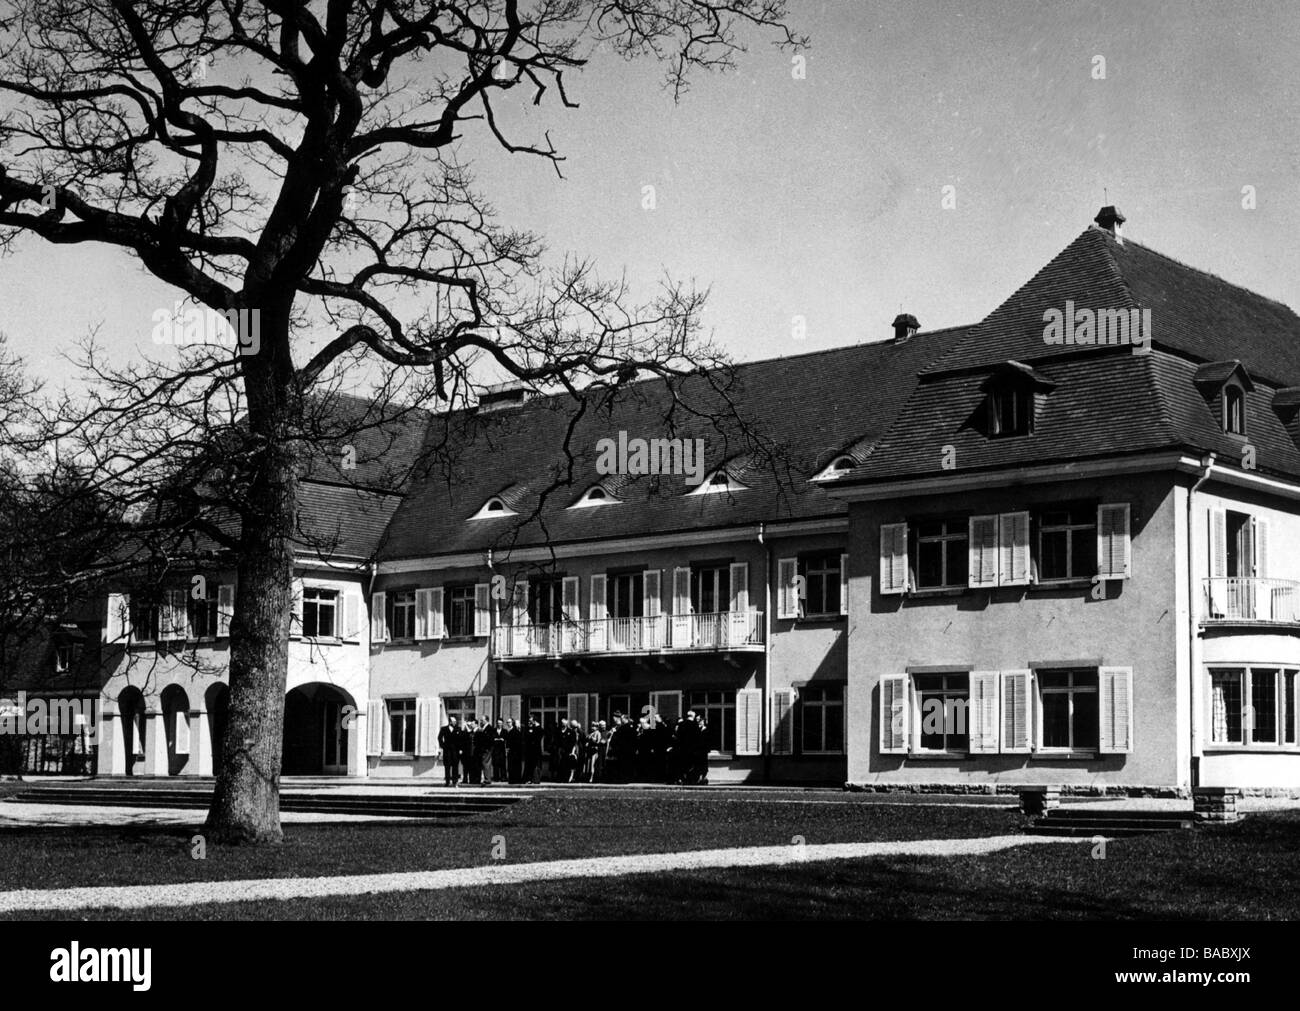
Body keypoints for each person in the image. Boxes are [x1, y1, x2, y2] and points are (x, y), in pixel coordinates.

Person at [437, 716, 461, 786]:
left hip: (455, 751)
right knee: (447, 767)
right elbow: (439, 738)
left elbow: (460, 739)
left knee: (455, 766)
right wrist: (443, 746)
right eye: (453, 722)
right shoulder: (444, 729)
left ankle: (455, 781)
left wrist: (460, 748)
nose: (455, 723)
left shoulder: (458, 729)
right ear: (450, 722)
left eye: (455, 722)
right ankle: (447, 781)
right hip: (447, 751)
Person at [477, 718, 497, 785]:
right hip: (485, 748)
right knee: (486, 763)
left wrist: (487, 748)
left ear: (486, 720)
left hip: (487, 749)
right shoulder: (483, 728)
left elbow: (490, 739)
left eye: (482, 720)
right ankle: (487, 778)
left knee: (485, 763)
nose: (481, 721)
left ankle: (487, 779)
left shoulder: (490, 729)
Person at [524, 717, 543, 784]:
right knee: (529, 766)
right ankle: (528, 779)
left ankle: (535, 779)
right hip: (529, 751)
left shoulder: (537, 729)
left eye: (531, 721)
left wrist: (537, 725)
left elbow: (540, 734)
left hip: (536, 751)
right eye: (529, 721)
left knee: (535, 766)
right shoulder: (527, 729)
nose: (530, 723)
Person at [505, 718, 523, 783]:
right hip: (512, 752)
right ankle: (512, 779)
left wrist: (509, 748)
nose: (508, 724)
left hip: (515, 752)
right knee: (511, 766)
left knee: (514, 766)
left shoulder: (514, 731)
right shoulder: (509, 731)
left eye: (509, 722)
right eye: (507, 722)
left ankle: (514, 779)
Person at [460, 719, 478, 784]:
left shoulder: (474, 732)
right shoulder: (466, 732)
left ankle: (471, 779)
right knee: (465, 767)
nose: (469, 726)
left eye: (470, 725)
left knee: (471, 767)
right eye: (468, 725)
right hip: (466, 753)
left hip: (472, 753)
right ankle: (465, 779)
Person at [492, 719, 508, 783]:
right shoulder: (494, 730)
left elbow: (506, 739)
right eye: (498, 723)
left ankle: (503, 777)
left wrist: (502, 739)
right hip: (495, 750)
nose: (499, 724)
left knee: (502, 764)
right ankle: (496, 777)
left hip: (502, 750)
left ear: (502, 724)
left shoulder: (504, 731)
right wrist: (495, 739)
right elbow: (492, 738)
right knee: (495, 764)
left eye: (500, 723)